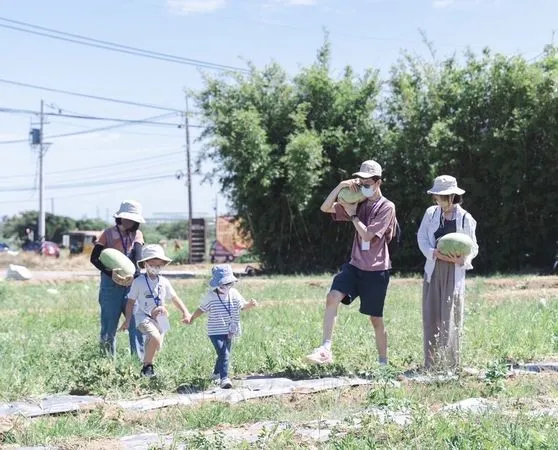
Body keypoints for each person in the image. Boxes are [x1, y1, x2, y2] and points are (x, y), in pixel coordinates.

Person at [306, 160, 397, 366]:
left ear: (378, 182)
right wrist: (341, 187)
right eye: (361, 180)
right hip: (355, 265)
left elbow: (366, 236)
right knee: (332, 297)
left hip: (376, 270)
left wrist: (353, 214)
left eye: (368, 181)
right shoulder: (357, 201)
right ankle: (325, 349)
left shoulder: (387, 207)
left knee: (375, 319)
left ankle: (383, 363)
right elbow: (325, 207)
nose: (363, 184)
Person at [417, 175, 478, 371]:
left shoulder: (466, 218)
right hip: (434, 268)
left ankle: (450, 364)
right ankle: (432, 364)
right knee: (431, 314)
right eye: (436, 196)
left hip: (454, 270)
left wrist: (462, 260)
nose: (437, 200)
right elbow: (421, 237)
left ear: (452, 197)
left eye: (441, 197)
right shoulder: (431, 213)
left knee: (450, 316)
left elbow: (473, 247)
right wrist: (432, 253)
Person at [120, 244, 191, 377]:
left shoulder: (164, 282)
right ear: (145, 264)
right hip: (143, 317)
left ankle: (146, 368)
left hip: (160, 318)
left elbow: (175, 298)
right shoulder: (139, 282)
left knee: (156, 345)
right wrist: (128, 320)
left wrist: (185, 312)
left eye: (159, 264)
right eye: (152, 263)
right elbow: (130, 302)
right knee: (155, 337)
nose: (156, 267)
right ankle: (147, 367)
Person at [90, 200, 146, 357]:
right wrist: (110, 272)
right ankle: (106, 365)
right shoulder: (107, 234)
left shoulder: (137, 235)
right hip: (110, 287)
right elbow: (94, 258)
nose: (130, 222)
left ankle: (140, 364)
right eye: (127, 218)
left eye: (134, 220)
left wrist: (134, 275)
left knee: (136, 325)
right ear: (120, 218)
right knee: (108, 327)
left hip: (132, 286)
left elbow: (138, 258)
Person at [188, 265, 258, 389]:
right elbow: (201, 309)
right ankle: (224, 378)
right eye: (223, 284)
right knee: (224, 353)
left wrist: (250, 304)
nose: (226, 286)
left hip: (230, 329)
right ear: (216, 284)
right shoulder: (211, 296)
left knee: (224, 353)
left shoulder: (234, 293)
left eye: (229, 283)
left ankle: (216, 373)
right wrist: (192, 317)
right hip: (215, 331)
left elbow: (242, 306)